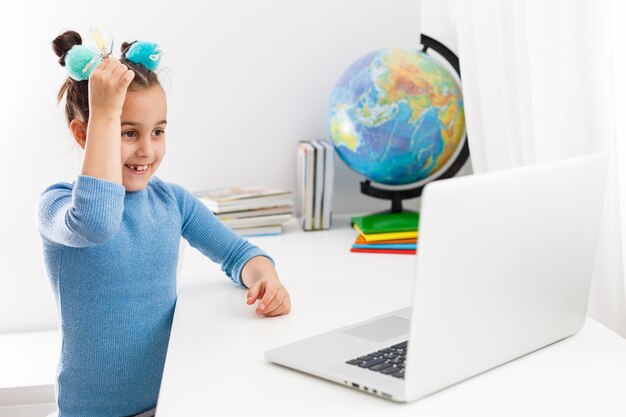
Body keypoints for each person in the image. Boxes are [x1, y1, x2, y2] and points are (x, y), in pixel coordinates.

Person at [38, 30, 291, 417]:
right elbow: (98, 225)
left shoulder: (172, 201)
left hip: (169, 402)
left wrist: (264, 277)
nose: (147, 149)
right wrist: (104, 111)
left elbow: (239, 253)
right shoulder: (57, 204)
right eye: (127, 132)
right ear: (82, 134)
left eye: (158, 131)